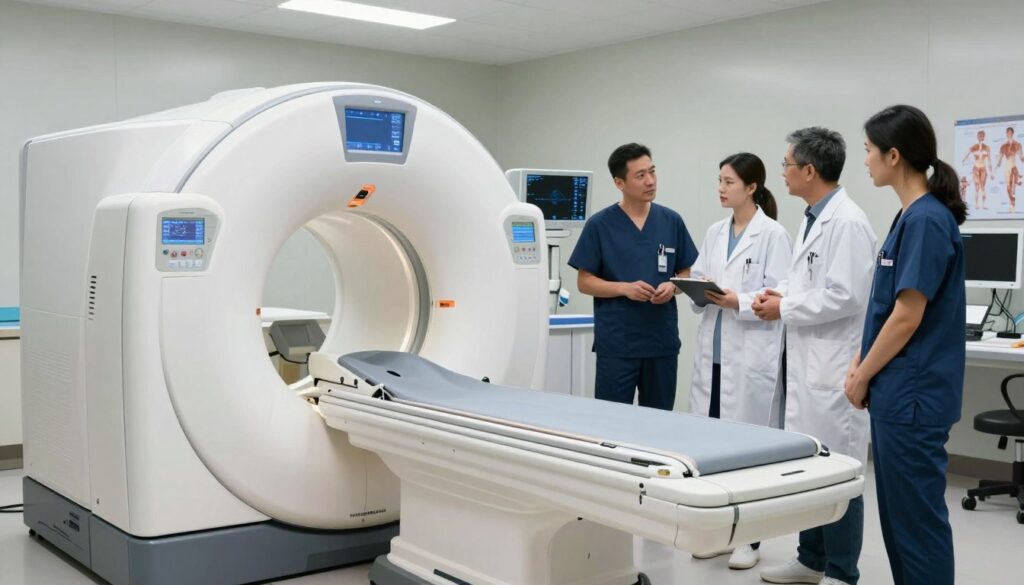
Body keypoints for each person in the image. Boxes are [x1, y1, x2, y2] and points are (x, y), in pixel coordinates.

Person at [848, 105, 967, 585]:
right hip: (901, 394)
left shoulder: (926, 221)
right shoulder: (910, 217)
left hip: (913, 396)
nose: (866, 161)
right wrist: (861, 361)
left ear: (893, 155)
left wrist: (861, 373)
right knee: (900, 520)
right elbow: (885, 307)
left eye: (869, 152)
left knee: (916, 522)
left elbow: (907, 316)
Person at [752, 128, 876, 585]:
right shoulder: (811, 217)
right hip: (806, 363)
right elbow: (802, 279)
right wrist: (777, 294)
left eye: (786, 164)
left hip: (832, 367)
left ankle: (842, 572)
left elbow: (846, 295)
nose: (781, 172)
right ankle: (810, 559)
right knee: (809, 471)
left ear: (809, 170)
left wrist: (785, 306)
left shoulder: (848, 222)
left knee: (839, 475)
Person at [687, 153, 792, 571]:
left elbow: (782, 292)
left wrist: (740, 301)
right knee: (710, 450)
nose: (721, 187)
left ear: (751, 187)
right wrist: (693, 288)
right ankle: (717, 534)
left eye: (729, 181)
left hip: (749, 355)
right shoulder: (715, 231)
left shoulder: (773, 234)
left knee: (747, 454)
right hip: (713, 355)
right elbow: (699, 272)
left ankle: (750, 538)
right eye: (719, 180)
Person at [569, 143, 698, 411]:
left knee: (660, 422)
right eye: (640, 175)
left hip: (661, 344)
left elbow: (687, 271)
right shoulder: (600, 225)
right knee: (612, 424)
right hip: (618, 346)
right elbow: (584, 281)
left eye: (652, 172)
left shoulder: (671, 221)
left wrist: (673, 287)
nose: (650, 181)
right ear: (619, 182)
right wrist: (623, 288)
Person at [961, 130, 992, 210]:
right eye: (979, 135)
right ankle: (976, 204)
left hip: (983, 168)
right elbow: (966, 156)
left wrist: (991, 172)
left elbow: (989, 160)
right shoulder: (973, 147)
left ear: (984, 137)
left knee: (983, 187)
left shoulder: (987, 147)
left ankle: (984, 204)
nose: (981, 137)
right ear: (977, 137)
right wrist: (965, 161)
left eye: (982, 136)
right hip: (976, 168)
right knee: (977, 186)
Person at [995, 126, 1023, 212]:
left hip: (1013, 166)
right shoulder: (1003, 146)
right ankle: (1011, 204)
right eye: (1008, 132)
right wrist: (995, 168)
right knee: (1008, 187)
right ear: (1006, 134)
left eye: (1010, 132)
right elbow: (999, 160)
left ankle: (1013, 205)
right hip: (1006, 167)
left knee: (1013, 186)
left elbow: (1021, 157)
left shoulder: (1017, 144)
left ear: (1013, 133)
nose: (1009, 134)